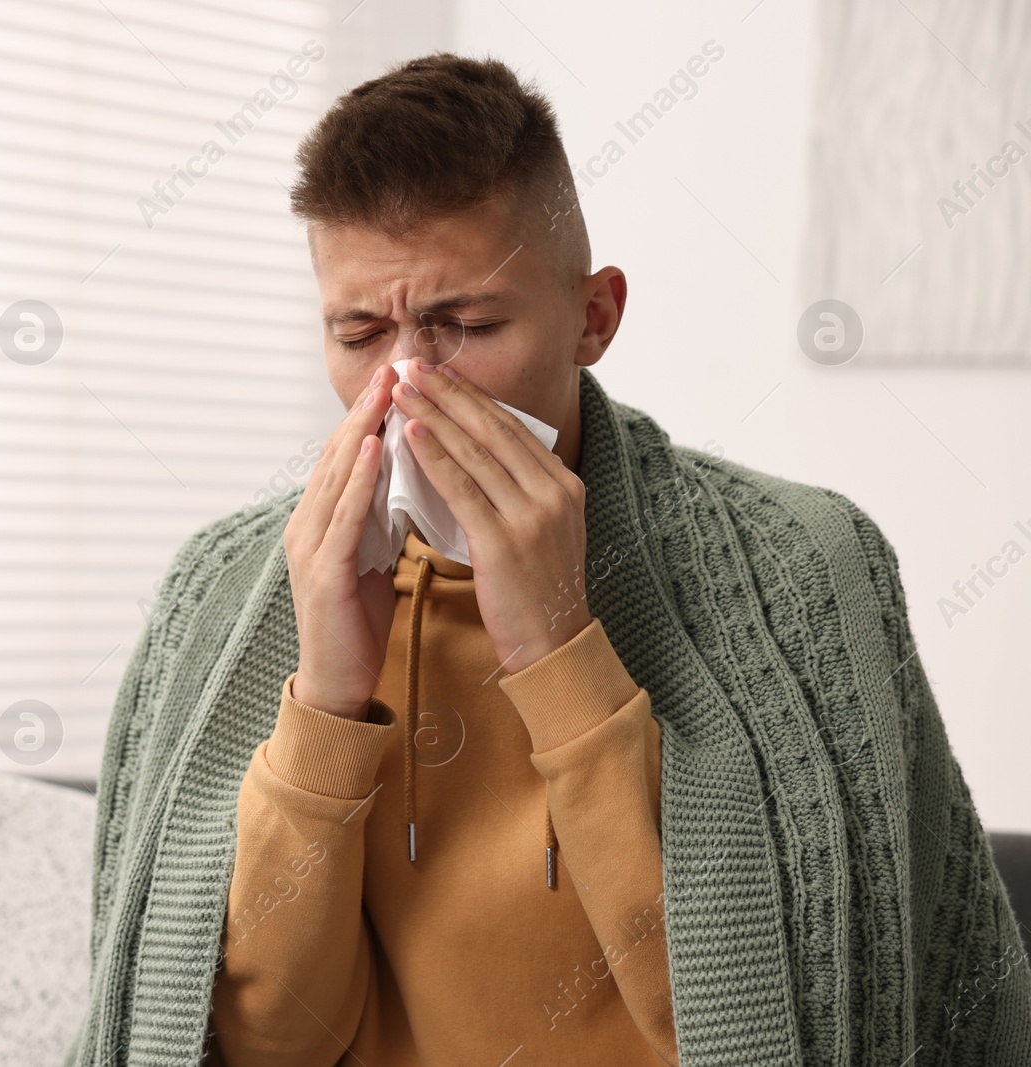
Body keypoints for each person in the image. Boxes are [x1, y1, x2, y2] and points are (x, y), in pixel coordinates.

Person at [62, 53, 1031, 1066]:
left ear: (593, 317)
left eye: (467, 325)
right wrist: (326, 702)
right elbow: (259, 1046)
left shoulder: (805, 566)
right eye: (358, 332)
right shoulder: (217, 592)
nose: (405, 385)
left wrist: (558, 646)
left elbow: (784, 1030)